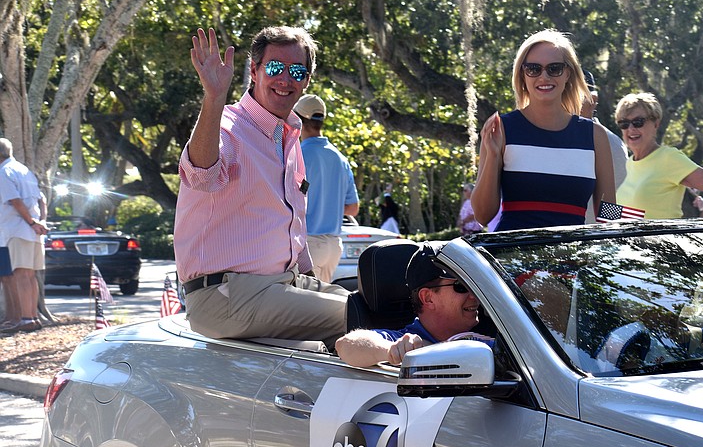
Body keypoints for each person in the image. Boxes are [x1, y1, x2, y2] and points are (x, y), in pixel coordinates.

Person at [173, 26, 349, 349]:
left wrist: (313, 284)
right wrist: (213, 97)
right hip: (224, 295)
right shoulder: (227, 125)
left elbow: (292, 226)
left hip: (281, 286)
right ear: (254, 71)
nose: (285, 79)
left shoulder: (290, 137)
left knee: (380, 306)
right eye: (274, 68)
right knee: (356, 316)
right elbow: (201, 176)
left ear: (306, 80)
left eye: (296, 71)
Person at [471, 29, 616, 231]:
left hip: (571, 259)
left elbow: (609, 212)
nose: (544, 76)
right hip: (510, 258)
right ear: (522, 75)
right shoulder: (501, 129)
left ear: (568, 73)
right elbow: (482, 216)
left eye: (554, 68)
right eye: (533, 69)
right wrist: (493, 156)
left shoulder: (595, 135)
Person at [335, 242, 486, 367]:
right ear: (428, 298)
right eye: (460, 286)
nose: (474, 295)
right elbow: (346, 346)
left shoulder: (498, 329)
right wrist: (393, 351)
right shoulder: (407, 341)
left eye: (473, 284)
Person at [615, 92, 703, 219]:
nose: (631, 129)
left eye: (638, 122)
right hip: (629, 238)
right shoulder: (630, 163)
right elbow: (632, 215)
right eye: (624, 123)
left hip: (662, 239)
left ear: (656, 123)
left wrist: (699, 231)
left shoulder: (668, 157)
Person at [294, 93, 360, 283]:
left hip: (307, 245)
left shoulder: (296, 155)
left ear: (298, 120)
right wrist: (327, 203)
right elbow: (353, 208)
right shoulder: (340, 158)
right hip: (333, 246)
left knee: (302, 308)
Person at [0, 138, 48, 333]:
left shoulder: (3, 173)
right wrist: (41, 222)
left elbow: (15, 202)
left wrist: (31, 222)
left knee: (21, 274)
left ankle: (26, 319)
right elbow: (42, 199)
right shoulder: (24, 170)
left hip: (18, 228)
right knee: (30, 275)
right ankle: (33, 317)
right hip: (34, 231)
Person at [581, 69, 628, 223]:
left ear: (593, 100)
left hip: (590, 240)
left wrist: (605, 239)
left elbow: (613, 204)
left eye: (579, 96)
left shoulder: (611, 144)